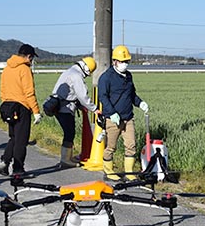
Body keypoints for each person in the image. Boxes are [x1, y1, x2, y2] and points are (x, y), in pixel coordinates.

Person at [97, 45, 149, 181]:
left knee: (131, 145)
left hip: (128, 117)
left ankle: (129, 172)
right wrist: (112, 113)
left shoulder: (128, 76)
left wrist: (140, 103)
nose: (124, 64)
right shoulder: (106, 78)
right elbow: (103, 97)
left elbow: (132, 95)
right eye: (122, 61)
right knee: (111, 147)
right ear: (114, 61)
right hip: (112, 119)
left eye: (126, 61)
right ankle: (109, 172)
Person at [0, 43, 41, 176]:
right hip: (21, 107)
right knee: (21, 140)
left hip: (7, 106)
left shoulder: (7, 68)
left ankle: (5, 161)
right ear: (28, 56)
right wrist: (36, 112)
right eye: (32, 58)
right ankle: (18, 169)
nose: (32, 60)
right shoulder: (24, 69)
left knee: (14, 138)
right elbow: (29, 92)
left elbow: (2, 90)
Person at [50, 57, 98, 168]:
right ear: (86, 68)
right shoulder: (77, 76)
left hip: (58, 106)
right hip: (65, 108)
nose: (87, 75)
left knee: (69, 132)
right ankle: (66, 160)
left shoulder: (69, 71)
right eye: (89, 72)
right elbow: (82, 96)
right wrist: (94, 109)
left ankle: (67, 158)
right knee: (69, 133)